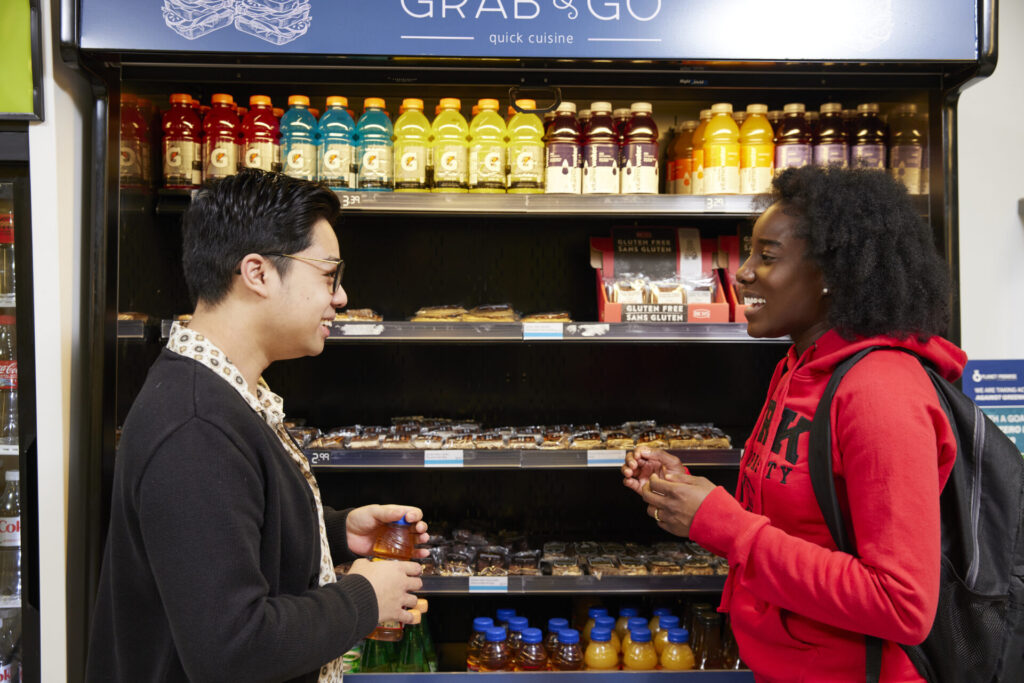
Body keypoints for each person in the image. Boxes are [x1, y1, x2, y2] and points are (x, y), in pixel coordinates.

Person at [622, 166, 964, 681]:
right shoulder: (797, 369)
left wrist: (724, 524)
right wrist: (692, 497)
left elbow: (902, 604)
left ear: (832, 274)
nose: (742, 273)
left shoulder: (880, 393)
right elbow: (799, 529)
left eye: (768, 256)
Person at [87, 169, 427, 682]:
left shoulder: (218, 394)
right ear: (258, 273)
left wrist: (333, 532)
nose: (340, 296)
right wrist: (364, 598)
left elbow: (222, 534)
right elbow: (231, 648)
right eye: (328, 274)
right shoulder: (196, 426)